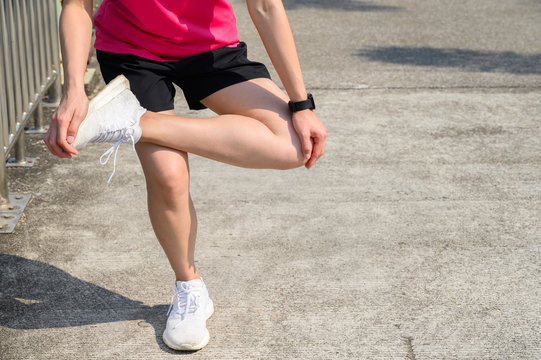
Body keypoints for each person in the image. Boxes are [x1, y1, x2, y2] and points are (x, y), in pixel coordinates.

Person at [43, 0, 327, 351]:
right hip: (133, 51)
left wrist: (301, 104)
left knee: (292, 145)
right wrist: (74, 90)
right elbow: (78, 4)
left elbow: (266, 6)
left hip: (211, 50)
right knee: (169, 176)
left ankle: (130, 121)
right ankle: (189, 287)